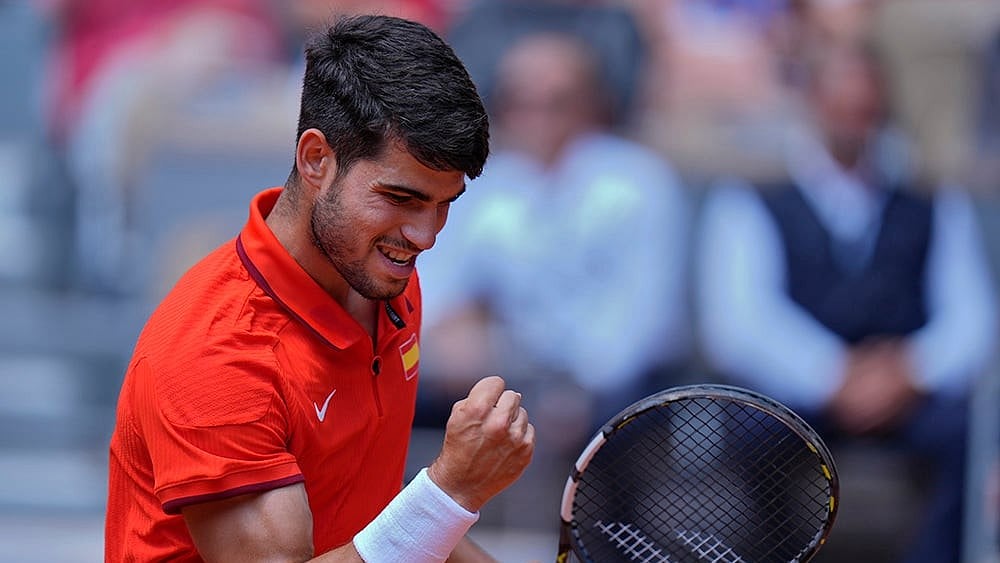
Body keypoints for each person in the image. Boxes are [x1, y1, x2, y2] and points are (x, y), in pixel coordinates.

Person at [104, 15, 534, 562]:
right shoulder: (217, 357)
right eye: (400, 198)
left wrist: (442, 502)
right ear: (315, 159)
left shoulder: (385, 278)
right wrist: (451, 491)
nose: (425, 237)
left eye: (443, 203)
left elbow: (378, 519)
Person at [696, 41, 997, 563]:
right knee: (741, 434)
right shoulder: (753, 200)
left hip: (910, 395)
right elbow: (741, 323)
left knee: (973, 434)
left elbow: (971, 319)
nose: (855, 120)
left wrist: (909, 373)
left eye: (866, 109)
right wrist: (834, 376)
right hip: (794, 396)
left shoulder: (933, 204)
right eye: (842, 105)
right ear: (813, 102)